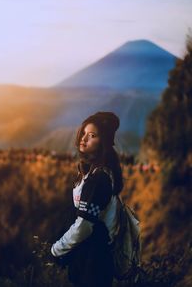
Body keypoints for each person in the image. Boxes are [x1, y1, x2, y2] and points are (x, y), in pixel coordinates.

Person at [51, 111, 124, 287]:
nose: (84, 138)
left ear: (103, 142)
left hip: (93, 262)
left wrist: (57, 249)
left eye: (92, 135)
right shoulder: (96, 172)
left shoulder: (99, 178)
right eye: (83, 133)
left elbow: (84, 226)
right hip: (90, 259)